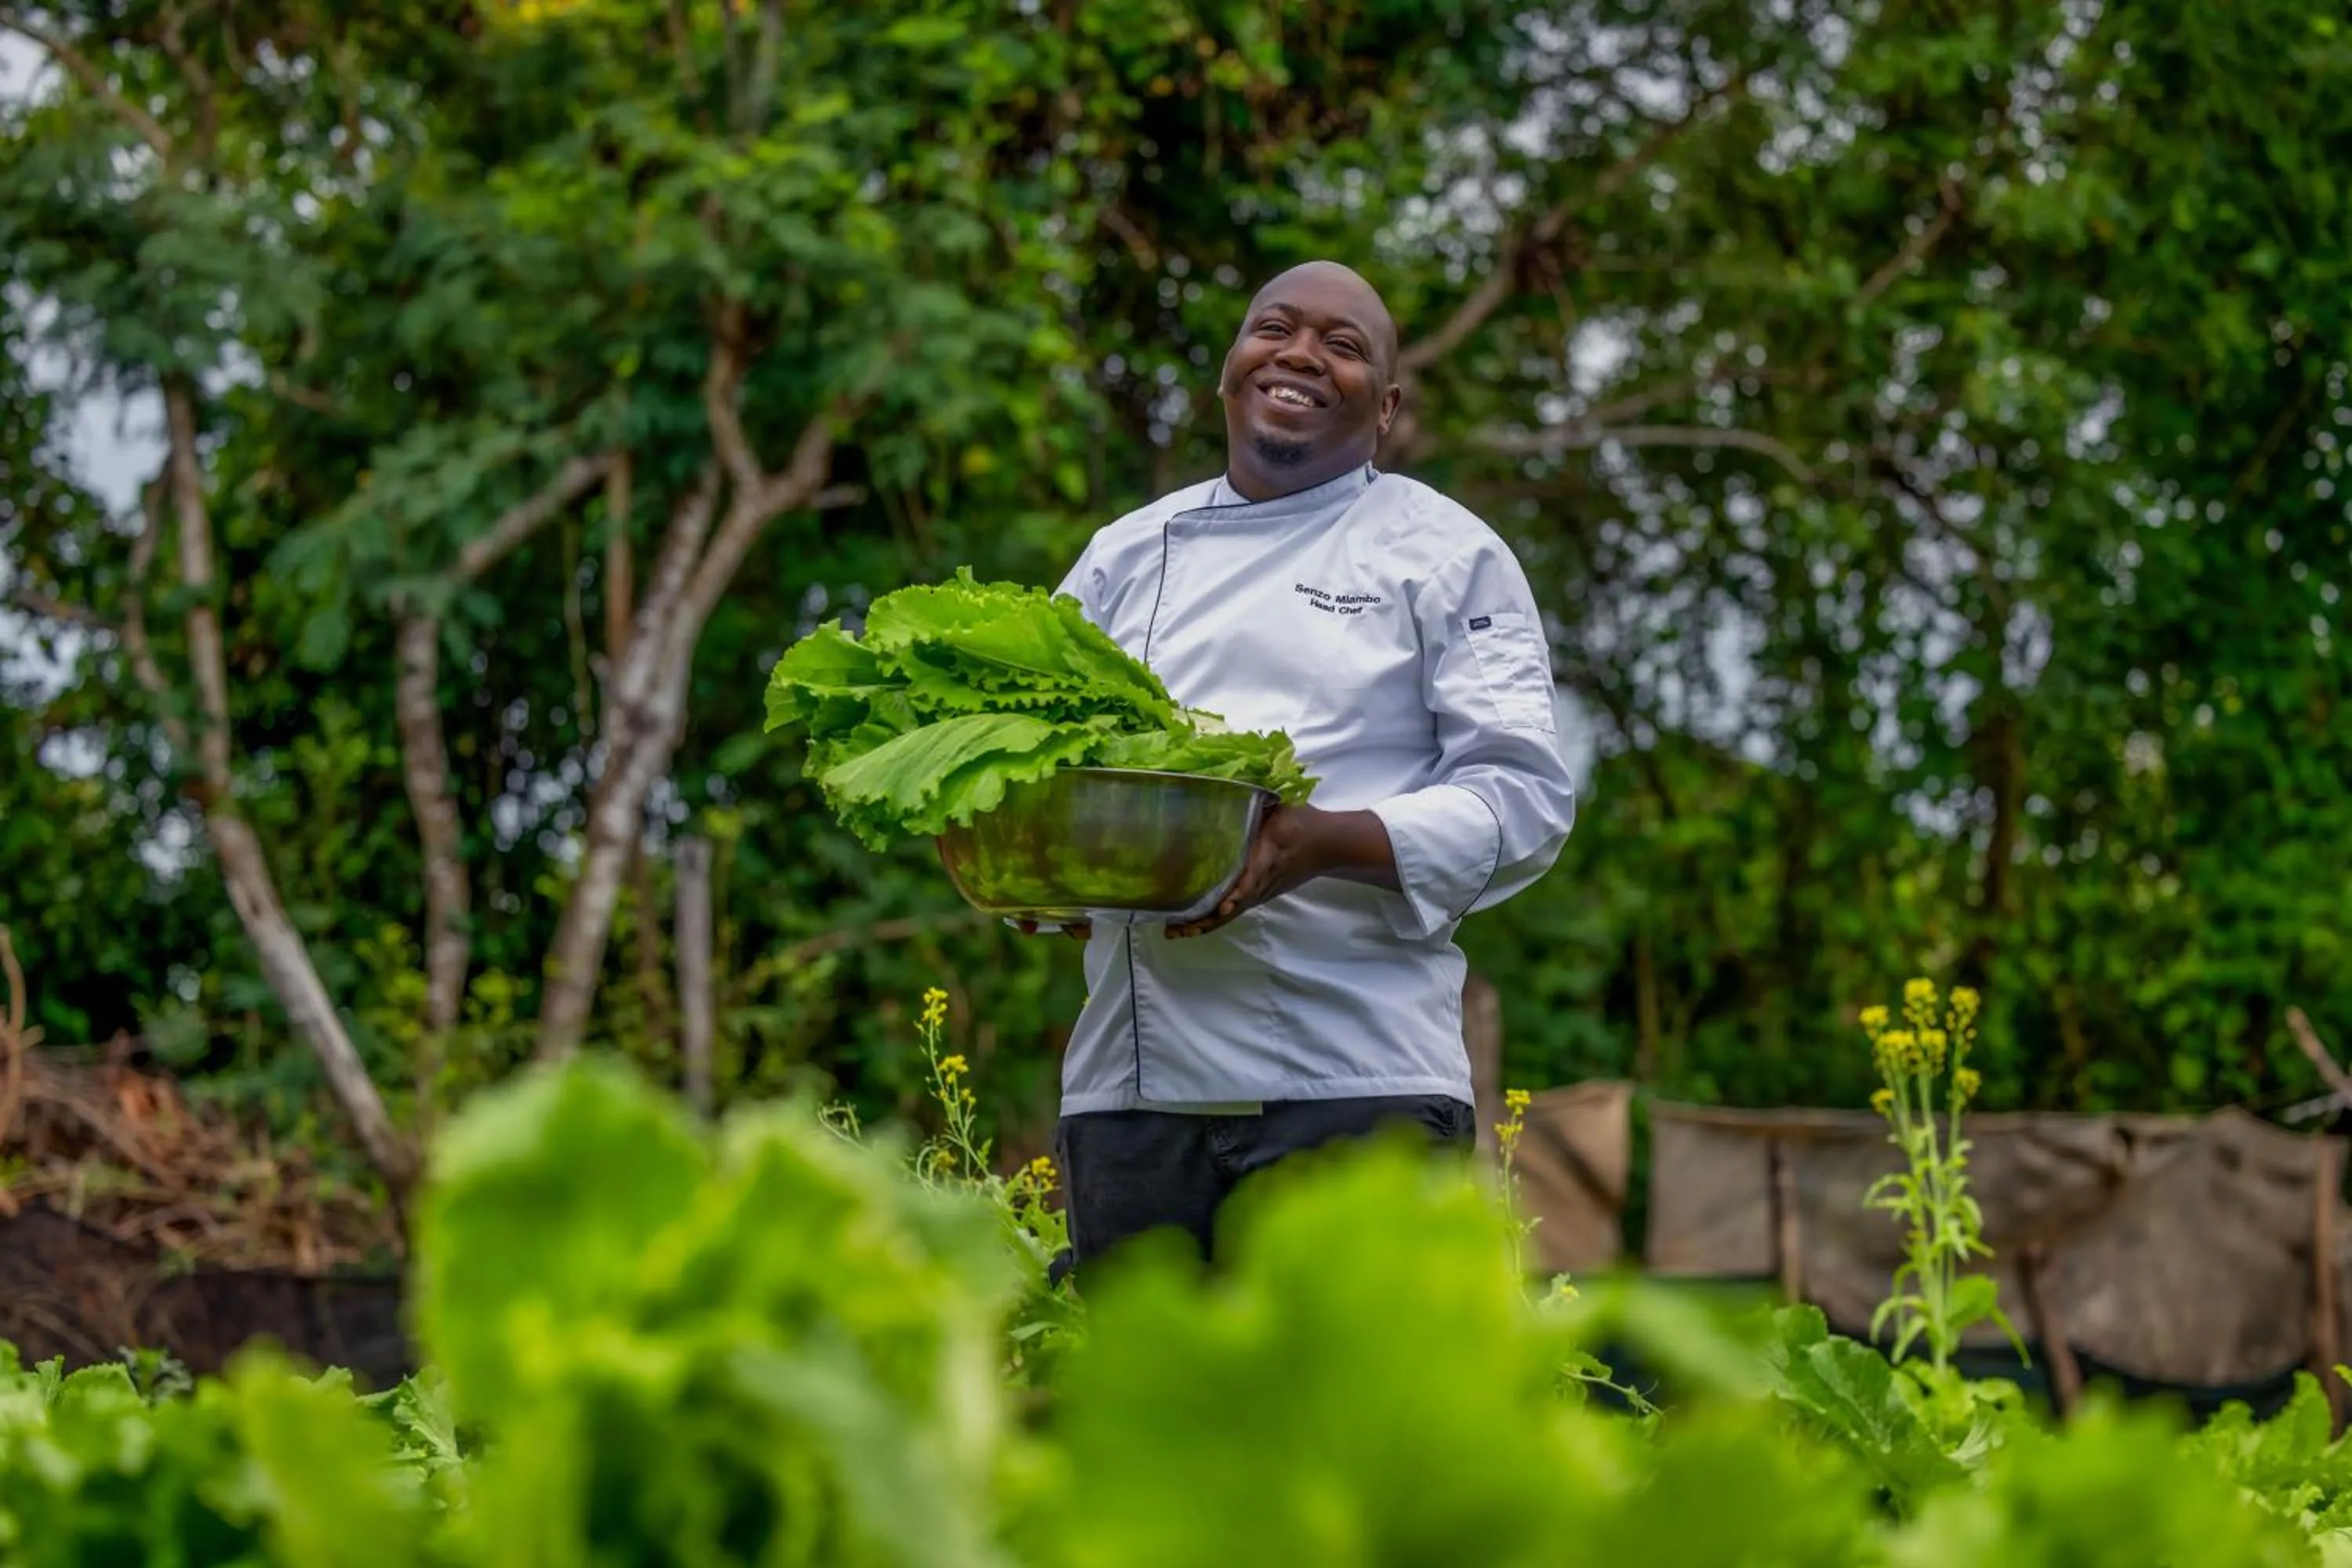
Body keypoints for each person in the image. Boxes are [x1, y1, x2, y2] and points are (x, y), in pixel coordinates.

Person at [1036, 260, 1577, 1271]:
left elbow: (1524, 799)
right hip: (1133, 1095)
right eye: (1273, 328)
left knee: (1356, 1426)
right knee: (1149, 1423)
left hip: (1354, 1082)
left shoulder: (1447, 554)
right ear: (1230, 370)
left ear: (1386, 407)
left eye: (1343, 345)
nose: (1298, 355)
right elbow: (1054, 757)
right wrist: (1054, 865)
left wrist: (1318, 844)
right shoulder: (1123, 554)